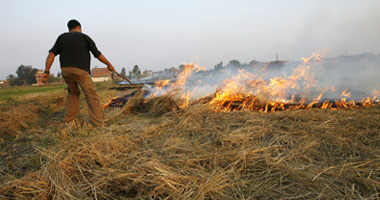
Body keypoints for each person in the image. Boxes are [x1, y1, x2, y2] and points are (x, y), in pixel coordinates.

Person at [42, 19, 115, 127]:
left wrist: (47, 71)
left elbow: (51, 55)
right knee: (91, 95)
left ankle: (69, 121)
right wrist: (109, 64)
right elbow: (97, 54)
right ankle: (99, 123)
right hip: (81, 72)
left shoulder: (61, 38)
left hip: (66, 71)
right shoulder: (84, 37)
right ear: (78, 27)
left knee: (73, 94)